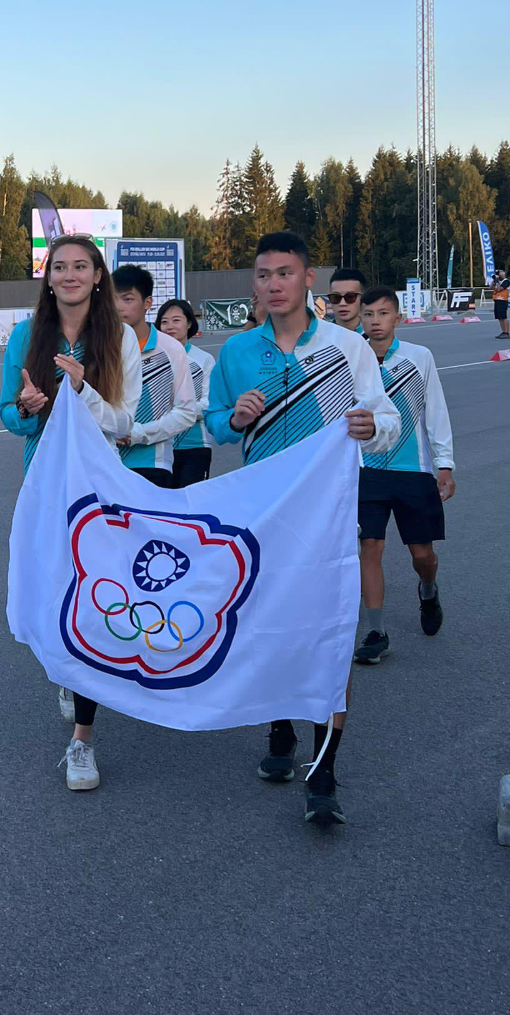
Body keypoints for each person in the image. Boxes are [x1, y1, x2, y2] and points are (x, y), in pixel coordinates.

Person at [205, 231, 399, 826]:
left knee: (329, 638)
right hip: (261, 517)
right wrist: (234, 418)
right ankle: (280, 728)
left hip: (329, 517)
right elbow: (214, 423)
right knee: (267, 630)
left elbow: (387, 417)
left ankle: (324, 771)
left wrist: (373, 428)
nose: (274, 284)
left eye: (285, 273)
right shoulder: (237, 351)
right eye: (263, 275)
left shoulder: (346, 347)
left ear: (307, 279)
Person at [0, 235, 141, 791]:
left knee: (91, 599)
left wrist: (81, 390)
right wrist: (27, 407)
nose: (70, 275)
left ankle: (82, 739)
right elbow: (8, 413)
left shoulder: (119, 337)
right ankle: (65, 667)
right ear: (49, 277)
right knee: (55, 589)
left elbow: (123, 423)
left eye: (81, 266)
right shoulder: (25, 335)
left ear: (98, 276)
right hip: (45, 481)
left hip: (99, 487)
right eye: (60, 267)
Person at [354, 286, 455, 664]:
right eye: (368, 314)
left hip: (413, 470)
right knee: (370, 546)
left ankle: (428, 589)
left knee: (422, 554)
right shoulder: (351, 359)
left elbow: (435, 411)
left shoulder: (419, 357)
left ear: (397, 318)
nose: (375, 321)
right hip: (367, 470)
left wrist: (444, 465)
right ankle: (376, 631)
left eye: (383, 314)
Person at [111, 265, 196, 487]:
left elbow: (186, 413)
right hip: (106, 464)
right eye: (113, 299)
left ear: (147, 303)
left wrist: (139, 434)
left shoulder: (171, 349)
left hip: (153, 465)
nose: (118, 307)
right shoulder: (99, 348)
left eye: (127, 299)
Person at [156, 298, 215, 485]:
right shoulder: (152, 359)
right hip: (158, 447)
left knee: (191, 500)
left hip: (194, 445)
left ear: (189, 323)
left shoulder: (204, 359)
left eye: (176, 320)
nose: (170, 326)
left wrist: (180, 413)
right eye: (164, 322)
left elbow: (209, 403)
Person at [328, 266, 367, 332]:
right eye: (336, 297)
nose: (342, 303)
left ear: (363, 298)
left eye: (350, 297)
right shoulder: (319, 334)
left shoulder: (375, 335)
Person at [491, 268, 509, 339]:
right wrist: (494, 281)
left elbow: (499, 289)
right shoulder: (497, 281)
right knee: (499, 317)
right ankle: (503, 331)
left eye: (500, 273)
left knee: (503, 317)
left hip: (503, 300)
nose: (499, 274)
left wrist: (498, 281)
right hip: (497, 300)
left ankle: (506, 332)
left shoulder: (506, 281)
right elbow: (491, 288)